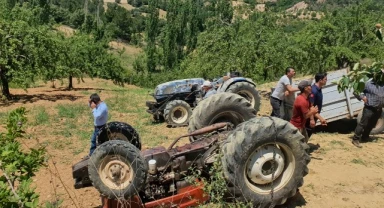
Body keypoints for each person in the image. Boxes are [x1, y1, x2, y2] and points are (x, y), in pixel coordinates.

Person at [352, 79, 384, 148]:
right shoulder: (368, 84)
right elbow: (356, 91)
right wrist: (362, 97)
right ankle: (355, 139)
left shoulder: (383, 84)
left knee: (372, 124)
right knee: (363, 124)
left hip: (378, 109)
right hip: (369, 108)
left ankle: (365, 137)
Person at [306, 73, 328, 138]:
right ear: (320, 80)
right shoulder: (314, 90)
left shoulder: (318, 89)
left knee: (309, 132)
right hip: (311, 116)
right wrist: (312, 119)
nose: (326, 80)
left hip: (314, 115)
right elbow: (310, 106)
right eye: (325, 79)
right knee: (307, 132)